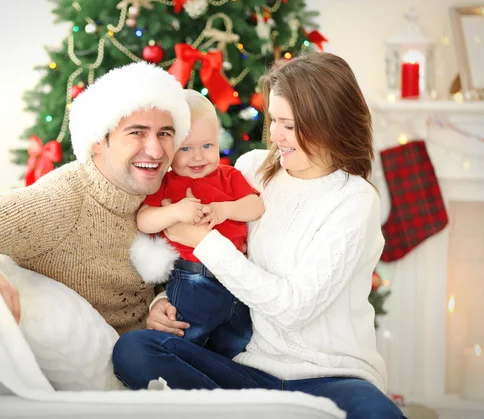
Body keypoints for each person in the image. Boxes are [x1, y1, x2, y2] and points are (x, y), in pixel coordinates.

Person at [113, 53, 405, 419]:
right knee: (135, 349)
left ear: (327, 123)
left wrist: (202, 240)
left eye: (288, 124)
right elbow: (184, 245)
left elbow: (293, 309)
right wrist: (162, 301)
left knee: (380, 415)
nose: (275, 136)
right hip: (248, 370)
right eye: (273, 120)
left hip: (333, 377)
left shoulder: (355, 200)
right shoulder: (252, 170)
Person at [0, 62, 192, 335]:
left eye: (165, 133)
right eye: (136, 132)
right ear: (97, 141)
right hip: (112, 364)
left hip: (164, 350)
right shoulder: (63, 200)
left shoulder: (164, 192)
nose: (155, 151)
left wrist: (158, 304)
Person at [137, 90, 264, 358]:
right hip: (194, 278)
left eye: (207, 146)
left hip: (237, 279)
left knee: (237, 346)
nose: (198, 157)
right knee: (184, 340)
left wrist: (226, 208)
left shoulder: (229, 176)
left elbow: (256, 206)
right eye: (186, 148)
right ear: (170, 150)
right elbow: (144, 220)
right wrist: (175, 212)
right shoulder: (167, 183)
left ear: (218, 140)